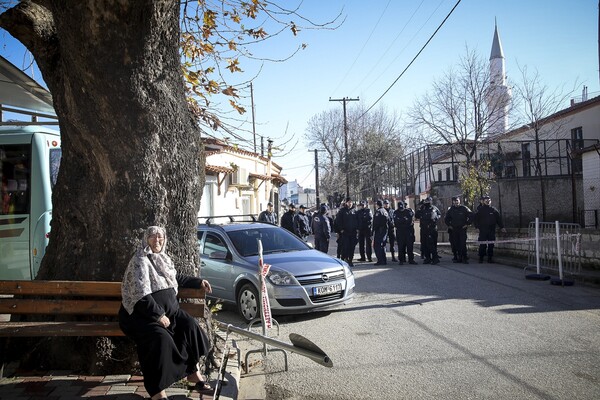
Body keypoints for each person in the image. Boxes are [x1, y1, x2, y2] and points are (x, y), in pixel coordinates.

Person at [119, 226, 214, 400]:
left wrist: (198, 282)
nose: (157, 240)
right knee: (160, 340)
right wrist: (158, 315)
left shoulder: (163, 259)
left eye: (160, 237)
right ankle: (157, 391)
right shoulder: (140, 261)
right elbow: (140, 295)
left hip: (169, 314)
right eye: (153, 237)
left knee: (190, 326)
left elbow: (174, 278)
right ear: (146, 239)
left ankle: (193, 374)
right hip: (142, 316)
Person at [473, 195, 506, 263]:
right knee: (482, 244)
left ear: (490, 201)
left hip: (491, 230)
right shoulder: (480, 210)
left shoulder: (494, 210)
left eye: (489, 200)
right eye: (486, 201)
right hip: (483, 230)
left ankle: (490, 258)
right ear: (483, 201)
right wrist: (476, 227)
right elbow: (475, 219)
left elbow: (499, 219)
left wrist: (502, 227)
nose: (488, 202)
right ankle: (481, 258)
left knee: (491, 245)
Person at [444, 196, 473, 264]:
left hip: (462, 229)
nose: (456, 202)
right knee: (455, 244)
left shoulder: (464, 208)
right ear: (453, 202)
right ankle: (456, 257)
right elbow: (446, 219)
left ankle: (464, 257)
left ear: (459, 201)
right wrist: (449, 225)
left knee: (462, 243)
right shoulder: (451, 210)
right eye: (455, 201)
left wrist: (467, 224)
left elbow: (471, 215)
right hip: (454, 229)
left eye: (457, 201)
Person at [415, 196, 441, 264]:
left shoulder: (434, 208)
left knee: (431, 244)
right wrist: (420, 207)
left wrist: (436, 218)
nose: (428, 203)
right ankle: (428, 258)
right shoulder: (422, 208)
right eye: (427, 201)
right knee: (424, 244)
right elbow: (416, 215)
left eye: (429, 201)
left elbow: (439, 214)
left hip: (432, 229)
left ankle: (435, 258)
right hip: (424, 229)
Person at [334, 197, 359, 266]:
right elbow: (338, 221)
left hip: (353, 232)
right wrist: (341, 230)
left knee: (352, 247)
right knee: (346, 247)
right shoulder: (342, 211)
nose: (350, 203)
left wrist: (357, 229)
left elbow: (357, 221)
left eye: (351, 202)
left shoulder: (354, 211)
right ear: (346, 203)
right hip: (345, 232)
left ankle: (350, 260)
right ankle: (345, 258)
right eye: (348, 202)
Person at [372, 200, 389, 265]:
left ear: (377, 205)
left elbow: (375, 223)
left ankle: (380, 260)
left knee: (377, 246)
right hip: (384, 230)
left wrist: (373, 231)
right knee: (383, 245)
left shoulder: (378, 212)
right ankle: (384, 260)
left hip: (379, 231)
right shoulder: (385, 211)